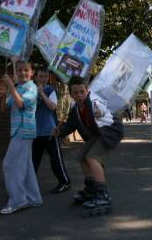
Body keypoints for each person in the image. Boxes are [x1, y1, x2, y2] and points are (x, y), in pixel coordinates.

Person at [53, 76, 123, 216]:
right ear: (71, 94)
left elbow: (101, 109)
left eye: (82, 91)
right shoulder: (75, 109)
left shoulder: (94, 101)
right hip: (96, 135)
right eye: (75, 93)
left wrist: (99, 112)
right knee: (82, 157)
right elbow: (71, 125)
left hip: (108, 132)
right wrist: (59, 131)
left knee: (92, 158)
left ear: (87, 91)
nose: (79, 95)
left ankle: (103, 195)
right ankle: (91, 188)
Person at [0, 61, 42, 215]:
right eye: (19, 70)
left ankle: (18, 201)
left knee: (10, 165)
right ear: (15, 72)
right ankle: (33, 198)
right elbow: (5, 107)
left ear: (32, 73)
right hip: (18, 131)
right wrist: (6, 90)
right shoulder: (18, 88)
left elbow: (21, 105)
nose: (22, 72)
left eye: (26, 70)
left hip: (24, 131)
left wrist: (11, 86)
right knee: (25, 166)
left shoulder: (32, 87)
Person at [32, 67, 71, 194]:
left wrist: (42, 93)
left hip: (50, 130)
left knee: (55, 158)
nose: (43, 79)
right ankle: (29, 183)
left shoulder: (50, 90)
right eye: (40, 76)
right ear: (35, 77)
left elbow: (53, 107)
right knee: (33, 160)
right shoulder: (31, 90)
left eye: (45, 76)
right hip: (35, 131)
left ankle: (64, 182)